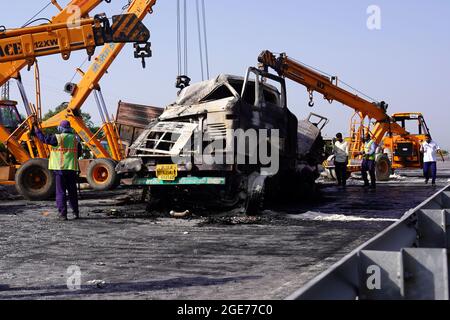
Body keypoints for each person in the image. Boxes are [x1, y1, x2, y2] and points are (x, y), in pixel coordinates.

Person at [35, 121, 82, 221]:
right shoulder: (76, 139)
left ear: (61, 128)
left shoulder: (58, 137)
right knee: (72, 192)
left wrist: (37, 131)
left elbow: (44, 139)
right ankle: (75, 213)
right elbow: (79, 153)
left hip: (60, 169)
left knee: (60, 192)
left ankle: (63, 214)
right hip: (72, 169)